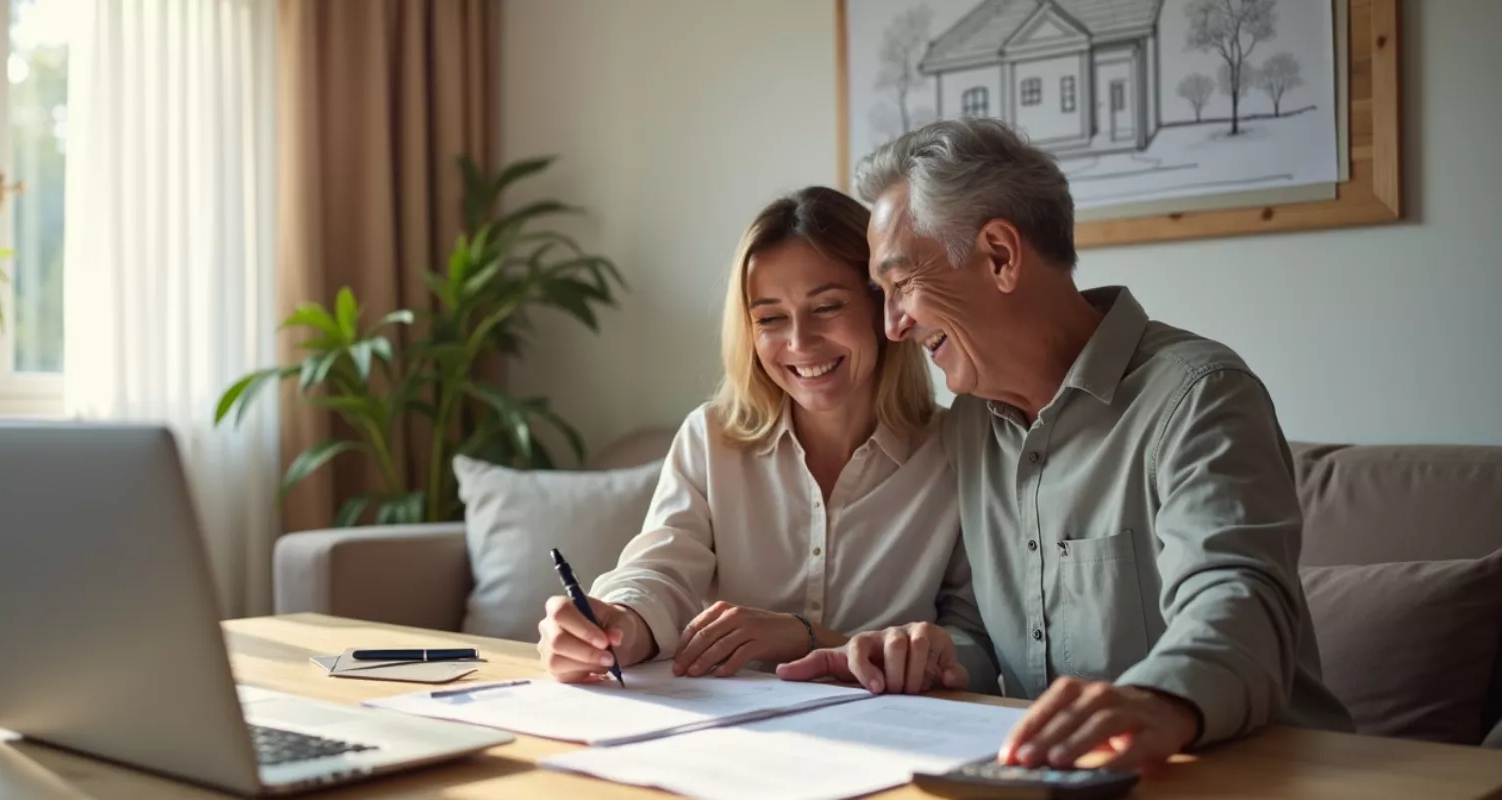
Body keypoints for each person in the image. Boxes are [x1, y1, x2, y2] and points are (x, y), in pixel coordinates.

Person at [778, 119, 1355, 771]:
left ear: (999, 255)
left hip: (1253, 775)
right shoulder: (970, 423)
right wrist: (935, 656)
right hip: (1064, 779)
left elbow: (1242, 604)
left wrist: (1154, 700)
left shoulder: (1201, 395)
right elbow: (985, 633)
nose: (893, 325)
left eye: (902, 284)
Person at [536, 186, 977, 686]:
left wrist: (809, 637)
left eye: (827, 307)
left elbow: (974, 641)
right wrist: (616, 624)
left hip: (897, 730)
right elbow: (661, 570)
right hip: (733, 736)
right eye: (770, 318)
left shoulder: (957, 449)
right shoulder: (711, 437)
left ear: (882, 308)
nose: (799, 342)